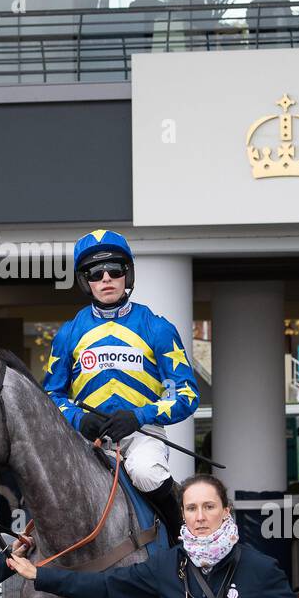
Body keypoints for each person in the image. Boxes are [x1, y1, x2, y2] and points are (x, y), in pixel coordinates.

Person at [6, 474, 299, 598]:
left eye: (209, 506)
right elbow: (105, 588)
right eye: (191, 508)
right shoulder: (167, 565)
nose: (200, 517)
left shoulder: (260, 567)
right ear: (183, 514)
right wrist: (41, 575)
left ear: (226, 511)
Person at [43, 229, 198, 545]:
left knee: (145, 472)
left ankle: (184, 543)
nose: (106, 278)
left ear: (128, 274)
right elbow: (51, 396)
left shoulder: (157, 327)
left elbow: (187, 393)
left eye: (115, 270)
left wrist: (140, 416)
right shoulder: (68, 334)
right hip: (88, 440)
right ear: (86, 281)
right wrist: (79, 420)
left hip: (142, 435)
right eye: (95, 273)